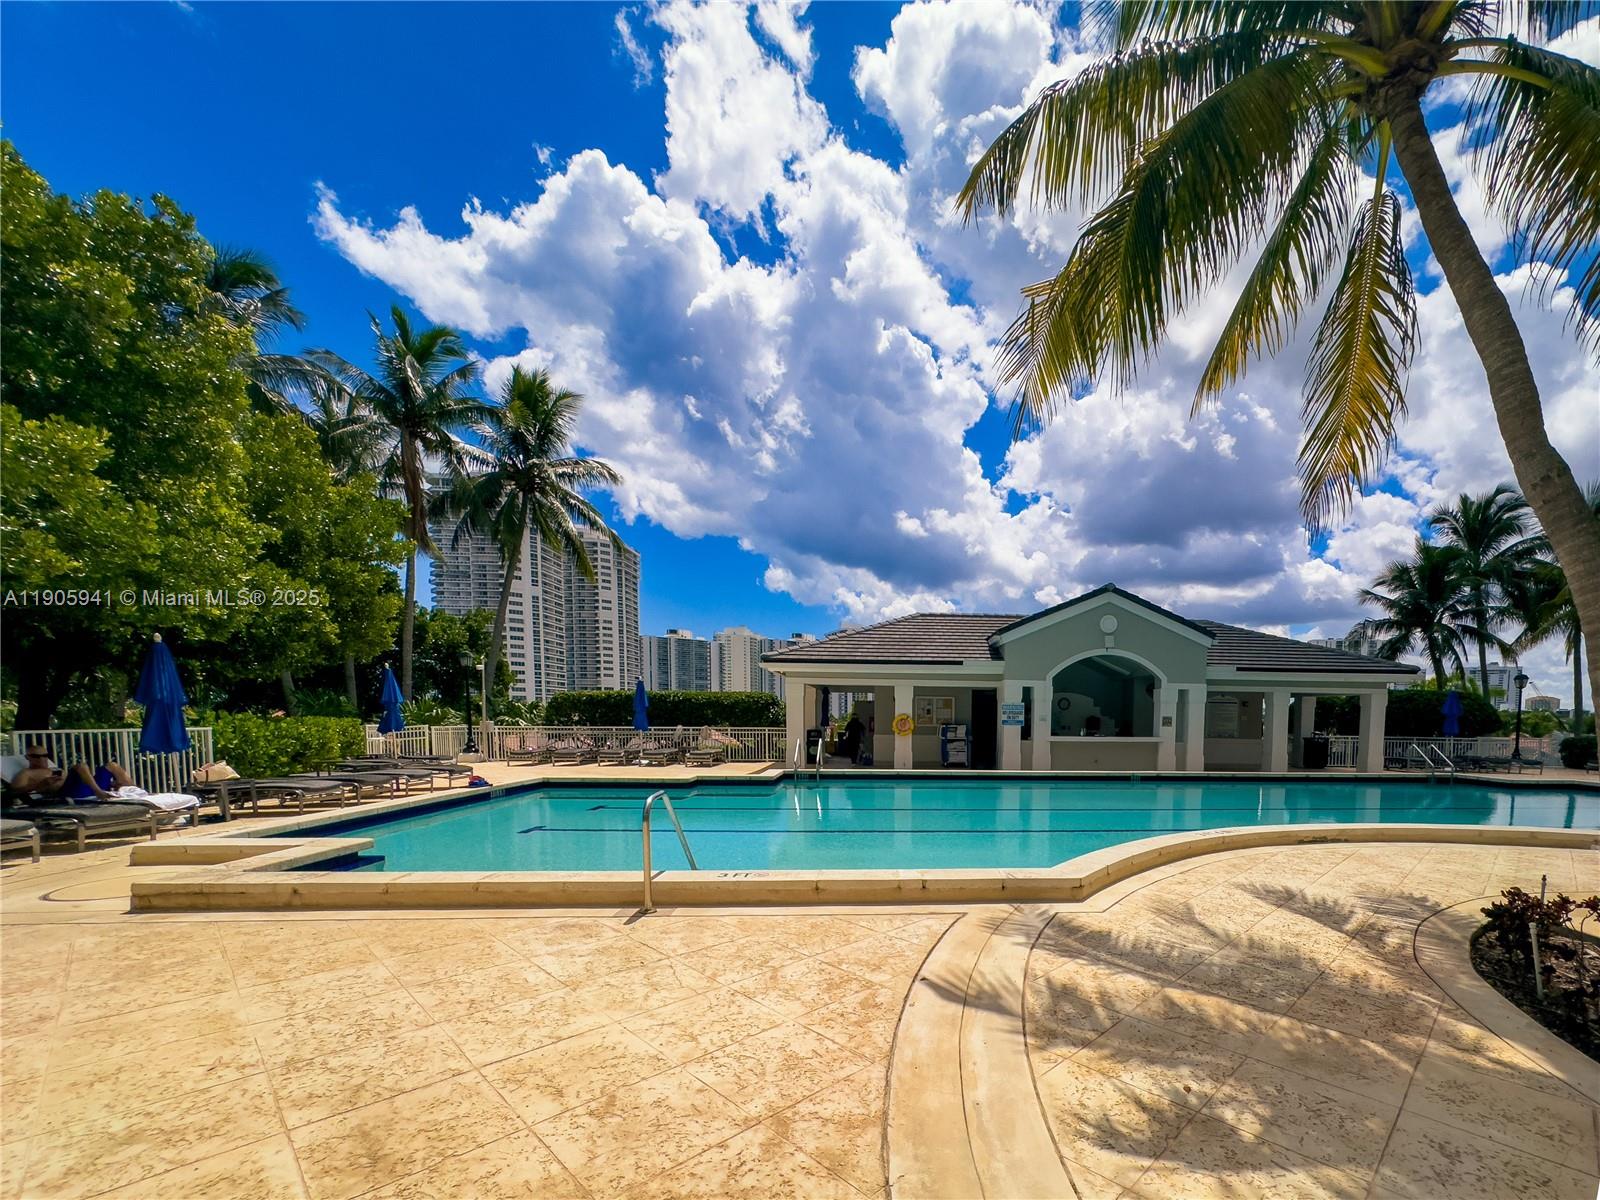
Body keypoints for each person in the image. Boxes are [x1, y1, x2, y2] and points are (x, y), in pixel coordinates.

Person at [7, 746, 134, 800]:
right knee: (80, 766)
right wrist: (41, 784)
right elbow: (14, 792)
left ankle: (134, 793)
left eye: (45, 755)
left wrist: (111, 784)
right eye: (36, 756)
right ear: (28, 757)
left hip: (85, 789)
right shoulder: (25, 773)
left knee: (112, 765)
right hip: (69, 794)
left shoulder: (53, 769)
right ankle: (99, 792)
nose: (42, 759)